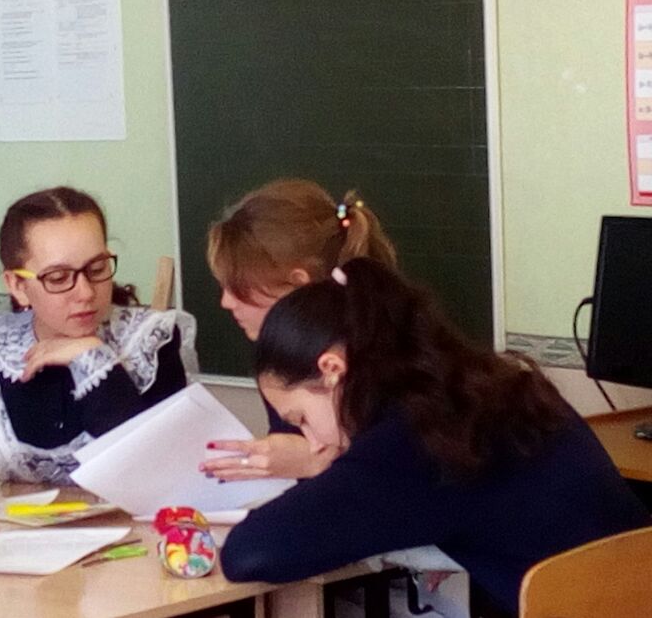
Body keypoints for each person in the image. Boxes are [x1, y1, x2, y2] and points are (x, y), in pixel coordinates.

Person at [220, 257, 651, 617]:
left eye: (300, 418)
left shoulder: (406, 446)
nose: (312, 440)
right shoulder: (496, 388)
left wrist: (323, 467)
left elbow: (248, 553)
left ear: (332, 369)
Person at [0, 186, 196, 484]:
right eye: (58, 277)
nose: (85, 292)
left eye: (97, 269)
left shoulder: (149, 343)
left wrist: (92, 357)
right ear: (17, 285)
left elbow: (152, 469)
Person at [200, 178, 395, 481]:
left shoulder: (382, 364)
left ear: (297, 285)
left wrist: (317, 462)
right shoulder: (283, 357)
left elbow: (390, 483)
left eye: (238, 287)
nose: (226, 302)